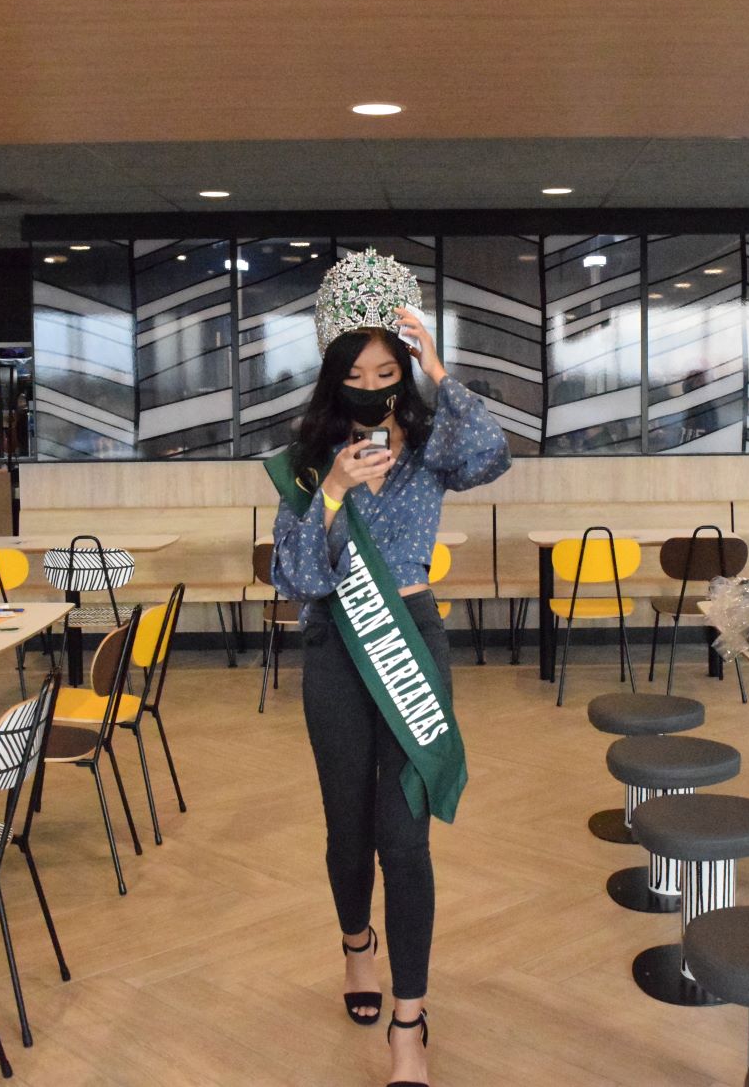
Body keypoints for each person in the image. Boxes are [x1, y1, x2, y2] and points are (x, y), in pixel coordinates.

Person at [269, 248, 510, 1087]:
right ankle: (355, 947)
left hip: (410, 633)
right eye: (356, 375)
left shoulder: (434, 444)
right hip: (336, 646)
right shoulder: (308, 458)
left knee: (404, 839)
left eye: (387, 371)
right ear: (333, 379)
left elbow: (491, 456)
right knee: (348, 829)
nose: (372, 387)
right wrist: (332, 490)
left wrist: (439, 370)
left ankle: (410, 1020)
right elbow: (295, 576)